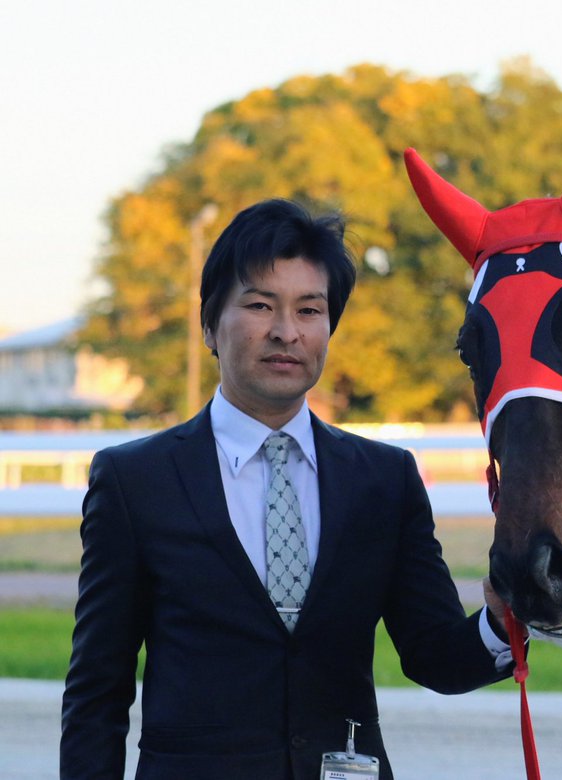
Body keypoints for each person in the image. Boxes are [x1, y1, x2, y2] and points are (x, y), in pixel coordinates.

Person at [61, 199, 513, 779]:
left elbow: (436, 658)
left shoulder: (384, 479)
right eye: (258, 305)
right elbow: (97, 691)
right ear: (209, 325)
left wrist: (504, 621)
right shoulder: (135, 481)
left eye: (309, 309)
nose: (286, 331)